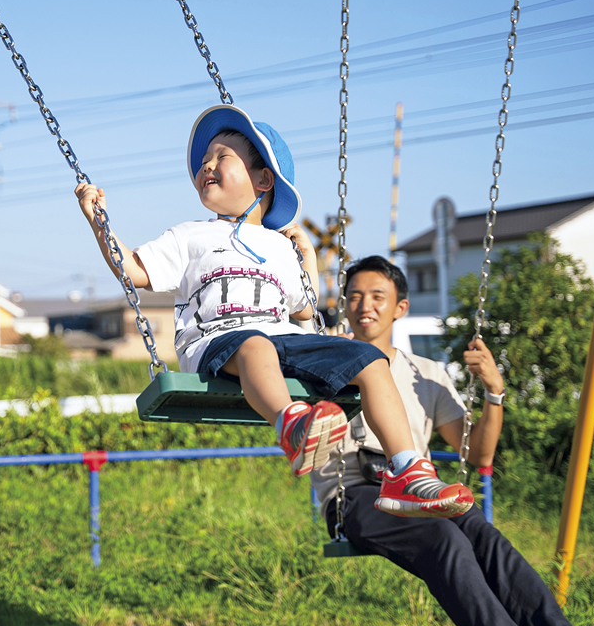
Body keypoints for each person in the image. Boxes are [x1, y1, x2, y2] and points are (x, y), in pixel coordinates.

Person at [74, 104, 472, 516]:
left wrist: (308, 261)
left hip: (281, 341)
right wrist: (97, 219)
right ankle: (293, 425)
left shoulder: (281, 246)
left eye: (221, 157)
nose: (207, 166)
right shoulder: (190, 235)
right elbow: (132, 269)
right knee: (255, 345)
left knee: (370, 359)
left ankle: (407, 470)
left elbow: (303, 312)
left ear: (263, 178)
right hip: (216, 343)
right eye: (204, 161)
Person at [312, 255, 585, 626]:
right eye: (354, 296)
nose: (364, 306)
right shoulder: (328, 360)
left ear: (400, 307)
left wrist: (494, 390)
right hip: (354, 494)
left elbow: (479, 456)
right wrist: (322, 358)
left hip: (419, 490)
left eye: (377, 296)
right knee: (445, 538)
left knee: (483, 535)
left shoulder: (427, 373)